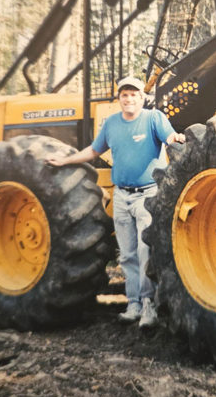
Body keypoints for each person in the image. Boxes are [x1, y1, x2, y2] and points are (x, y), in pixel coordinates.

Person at [46, 76, 185, 328]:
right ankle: (132, 304)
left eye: (133, 94)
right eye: (124, 95)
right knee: (128, 255)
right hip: (122, 196)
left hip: (147, 195)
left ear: (142, 97)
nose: (129, 99)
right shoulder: (111, 124)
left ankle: (149, 306)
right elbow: (93, 151)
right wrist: (65, 161)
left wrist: (176, 138)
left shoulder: (153, 118)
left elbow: (170, 136)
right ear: (119, 99)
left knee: (146, 253)